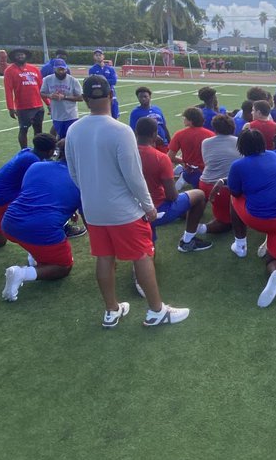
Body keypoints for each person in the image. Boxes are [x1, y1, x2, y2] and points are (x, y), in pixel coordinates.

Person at [65, 74, 189, 327]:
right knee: (142, 254)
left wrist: (93, 193)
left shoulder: (74, 129)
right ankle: (156, 311)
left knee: (104, 257)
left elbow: (74, 172)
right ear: (111, 96)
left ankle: (111, 310)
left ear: (86, 99)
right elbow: (133, 176)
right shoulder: (121, 131)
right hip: (123, 209)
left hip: (94, 208)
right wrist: (148, 206)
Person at [226, 128, 276, 308]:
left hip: (261, 219)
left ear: (241, 146)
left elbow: (236, 191)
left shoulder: (238, 165)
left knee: (233, 198)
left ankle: (240, 245)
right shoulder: (273, 156)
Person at [0, 139, 83, 302]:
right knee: (63, 266)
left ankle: (36, 255)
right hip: (41, 230)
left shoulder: (36, 166)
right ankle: (22, 273)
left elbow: (33, 193)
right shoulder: (80, 179)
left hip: (10, 223)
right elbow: (88, 216)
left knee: (36, 236)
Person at [0, 133, 57, 251]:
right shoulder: (33, 162)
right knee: (45, 202)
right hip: (1, 199)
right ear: (50, 151)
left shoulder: (28, 152)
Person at [134, 117, 210, 250]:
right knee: (199, 195)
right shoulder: (160, 158)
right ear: (154, 134)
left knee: (146, 255)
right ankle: (187, 241)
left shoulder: (125, 154)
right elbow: (172, 196)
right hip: (157, 210)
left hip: (133, 210)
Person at [199, 112, 239, 234]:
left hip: (205, 184)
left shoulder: (206, 142)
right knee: (228, 222)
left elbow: (207, 161)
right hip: (225, 188)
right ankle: (198, 229)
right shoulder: (239, 141)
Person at [3, 46, 45, 149]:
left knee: (38, 131)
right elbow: (8, 90)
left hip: (38, 106)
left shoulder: (34, 69)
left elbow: (42, 88)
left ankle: (39, 150)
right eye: (18, 55)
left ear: (26, 56)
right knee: (23, 130)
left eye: (22, 54)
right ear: (14, 57)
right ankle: (24, 151)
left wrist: (48, 103)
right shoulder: (9, 70)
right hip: (23, 107)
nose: (20, 56)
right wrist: (11, 108)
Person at [168, 107, 214, 187]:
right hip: (208, 172)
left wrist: (183, 161)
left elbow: (170, 157)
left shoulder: (180, 134)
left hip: (189, 171)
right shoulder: (211, 134)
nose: (184, 120)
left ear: (191, 121)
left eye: (185, 118)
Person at [41, 59, 84, 138]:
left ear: (66, 69)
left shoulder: (73, 81)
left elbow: (81, 97)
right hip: (56, 115)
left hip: (71, 115)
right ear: (54, 69)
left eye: (63, 69)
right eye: (59, 69)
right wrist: (50, 96)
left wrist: (64, 97)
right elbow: (42, 92)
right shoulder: (48, 79)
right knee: (60, 137)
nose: (61, 72)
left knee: (70, 137)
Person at [88, 49, 119, 119]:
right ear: (94, 57)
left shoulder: (110, 69)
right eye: (96, 55)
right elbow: (93, 82)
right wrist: (105, 81)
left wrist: (101, 80)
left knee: (114, 116)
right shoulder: (92, 69)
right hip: (99, 95)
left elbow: (114, 81)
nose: (98, 57)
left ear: (103, 56)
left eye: (100, 55)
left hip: (111, 94)